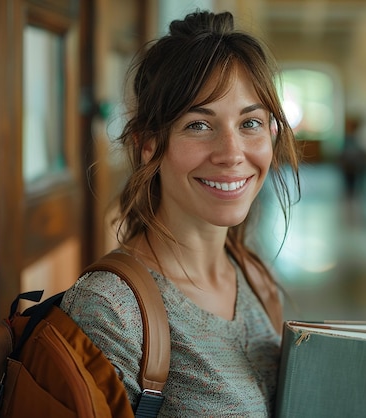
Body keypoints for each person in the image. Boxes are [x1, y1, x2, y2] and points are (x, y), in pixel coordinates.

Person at [61, 10, 301, 416]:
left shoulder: (255, 277)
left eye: (251, 123)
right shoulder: (111, 310)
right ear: (148, 143)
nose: (231, 154)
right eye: (198, 125)